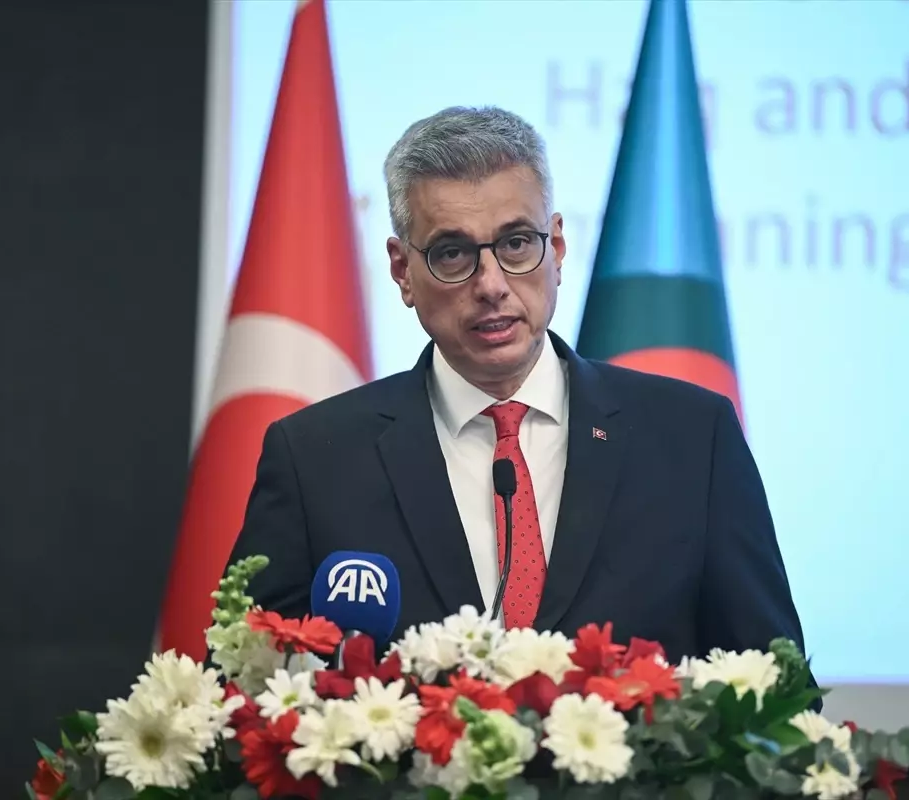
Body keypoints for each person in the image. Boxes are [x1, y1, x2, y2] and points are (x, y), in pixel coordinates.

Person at [227, 105, 809, 665]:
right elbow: (240, 682)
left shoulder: (692, 438)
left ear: (556, 248)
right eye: (452, 253)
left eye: (515, 244)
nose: (491, 285)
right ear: (403, 270)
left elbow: (772, 685)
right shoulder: (315, 459)